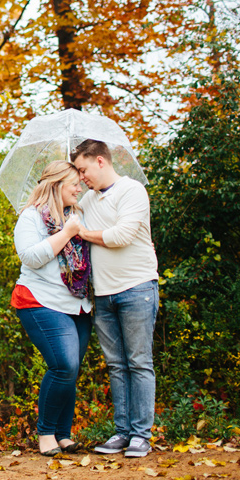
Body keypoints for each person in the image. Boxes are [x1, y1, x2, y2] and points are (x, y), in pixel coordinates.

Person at [70, 139, 159, 458]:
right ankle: (122, 433)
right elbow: (66, 217)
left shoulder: (132, 191)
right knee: (116, 365)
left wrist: (81, 233)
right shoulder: (88, 201)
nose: (82, 178)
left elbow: (121, 236)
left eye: (83, 169)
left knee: (139, 362)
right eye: (78, 173)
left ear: (100, 161)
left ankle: (141, 436)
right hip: (103, 294)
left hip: (137, 287)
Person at [11, 160, 93, 456]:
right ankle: (45, 433)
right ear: (57, 185)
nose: (79, 187)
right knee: (64, 365)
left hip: (78, 304)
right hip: (40, 300)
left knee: (70, 370)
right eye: (73, 183)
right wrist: (67, 233)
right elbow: (31, 257)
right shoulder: (31, 217)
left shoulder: (78, 215)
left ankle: (63, 434)